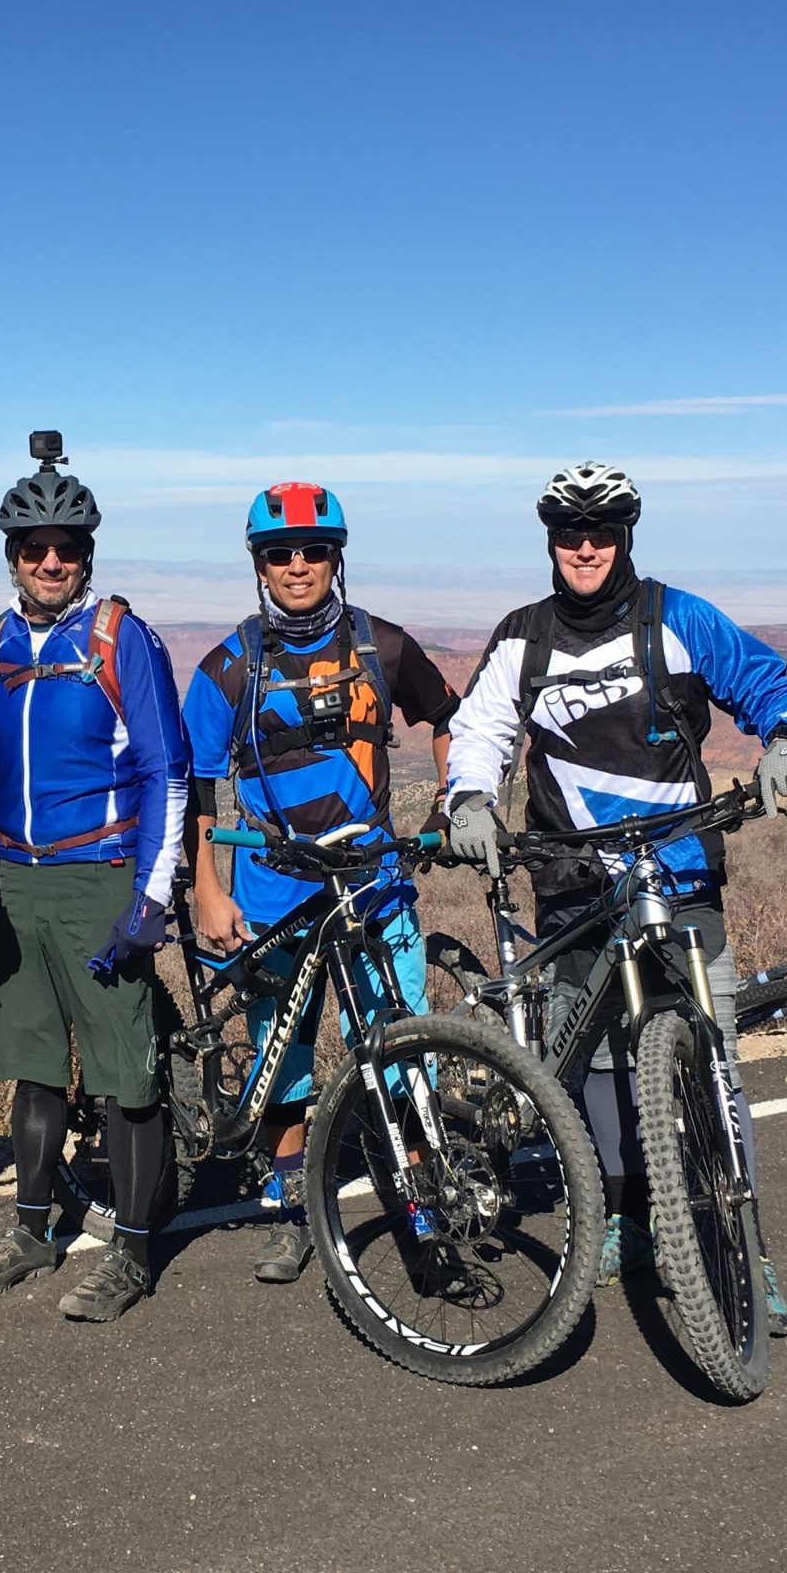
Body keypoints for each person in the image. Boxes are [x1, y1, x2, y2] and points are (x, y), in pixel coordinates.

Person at [440, 461, 787, 1332]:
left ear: (624, 540)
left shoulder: (675, 618)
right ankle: (620, 1213)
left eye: (600, 533)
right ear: (549, 542)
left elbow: (768, 683)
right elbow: (481, 731)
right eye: (569, 533)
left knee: (711, 1059)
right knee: (600, 1066)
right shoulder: (522, 637)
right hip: (572, 879)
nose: (584, 547)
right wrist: (467, 799)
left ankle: (744, 1244)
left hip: (676, 874)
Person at [181, 482, 460, 1284]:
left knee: (406, 1050)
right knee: (287, 1058)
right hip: (272, 889)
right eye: (280, 554)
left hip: (375, 888)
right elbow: (198, 786)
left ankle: (424, 1203)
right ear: (260, 565)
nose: (297, 566)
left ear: (336, 557)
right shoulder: (230, 665)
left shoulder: (383, 646)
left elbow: (451, 719)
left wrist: (447, 806)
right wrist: (207, 886)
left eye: (312, 551)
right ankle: (292, 1209)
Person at [0, 436, 190, 1322]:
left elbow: (168, 771)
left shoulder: (123, 639)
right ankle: (34, 1227)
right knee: (35, 1069)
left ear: (88, 551)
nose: (51, 561)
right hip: (15, 880)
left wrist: (151, 895)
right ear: (11, 556)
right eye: (33, 548)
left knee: (129, 1072)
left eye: (68, 547)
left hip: (102, 878)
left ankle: (131, 1250)